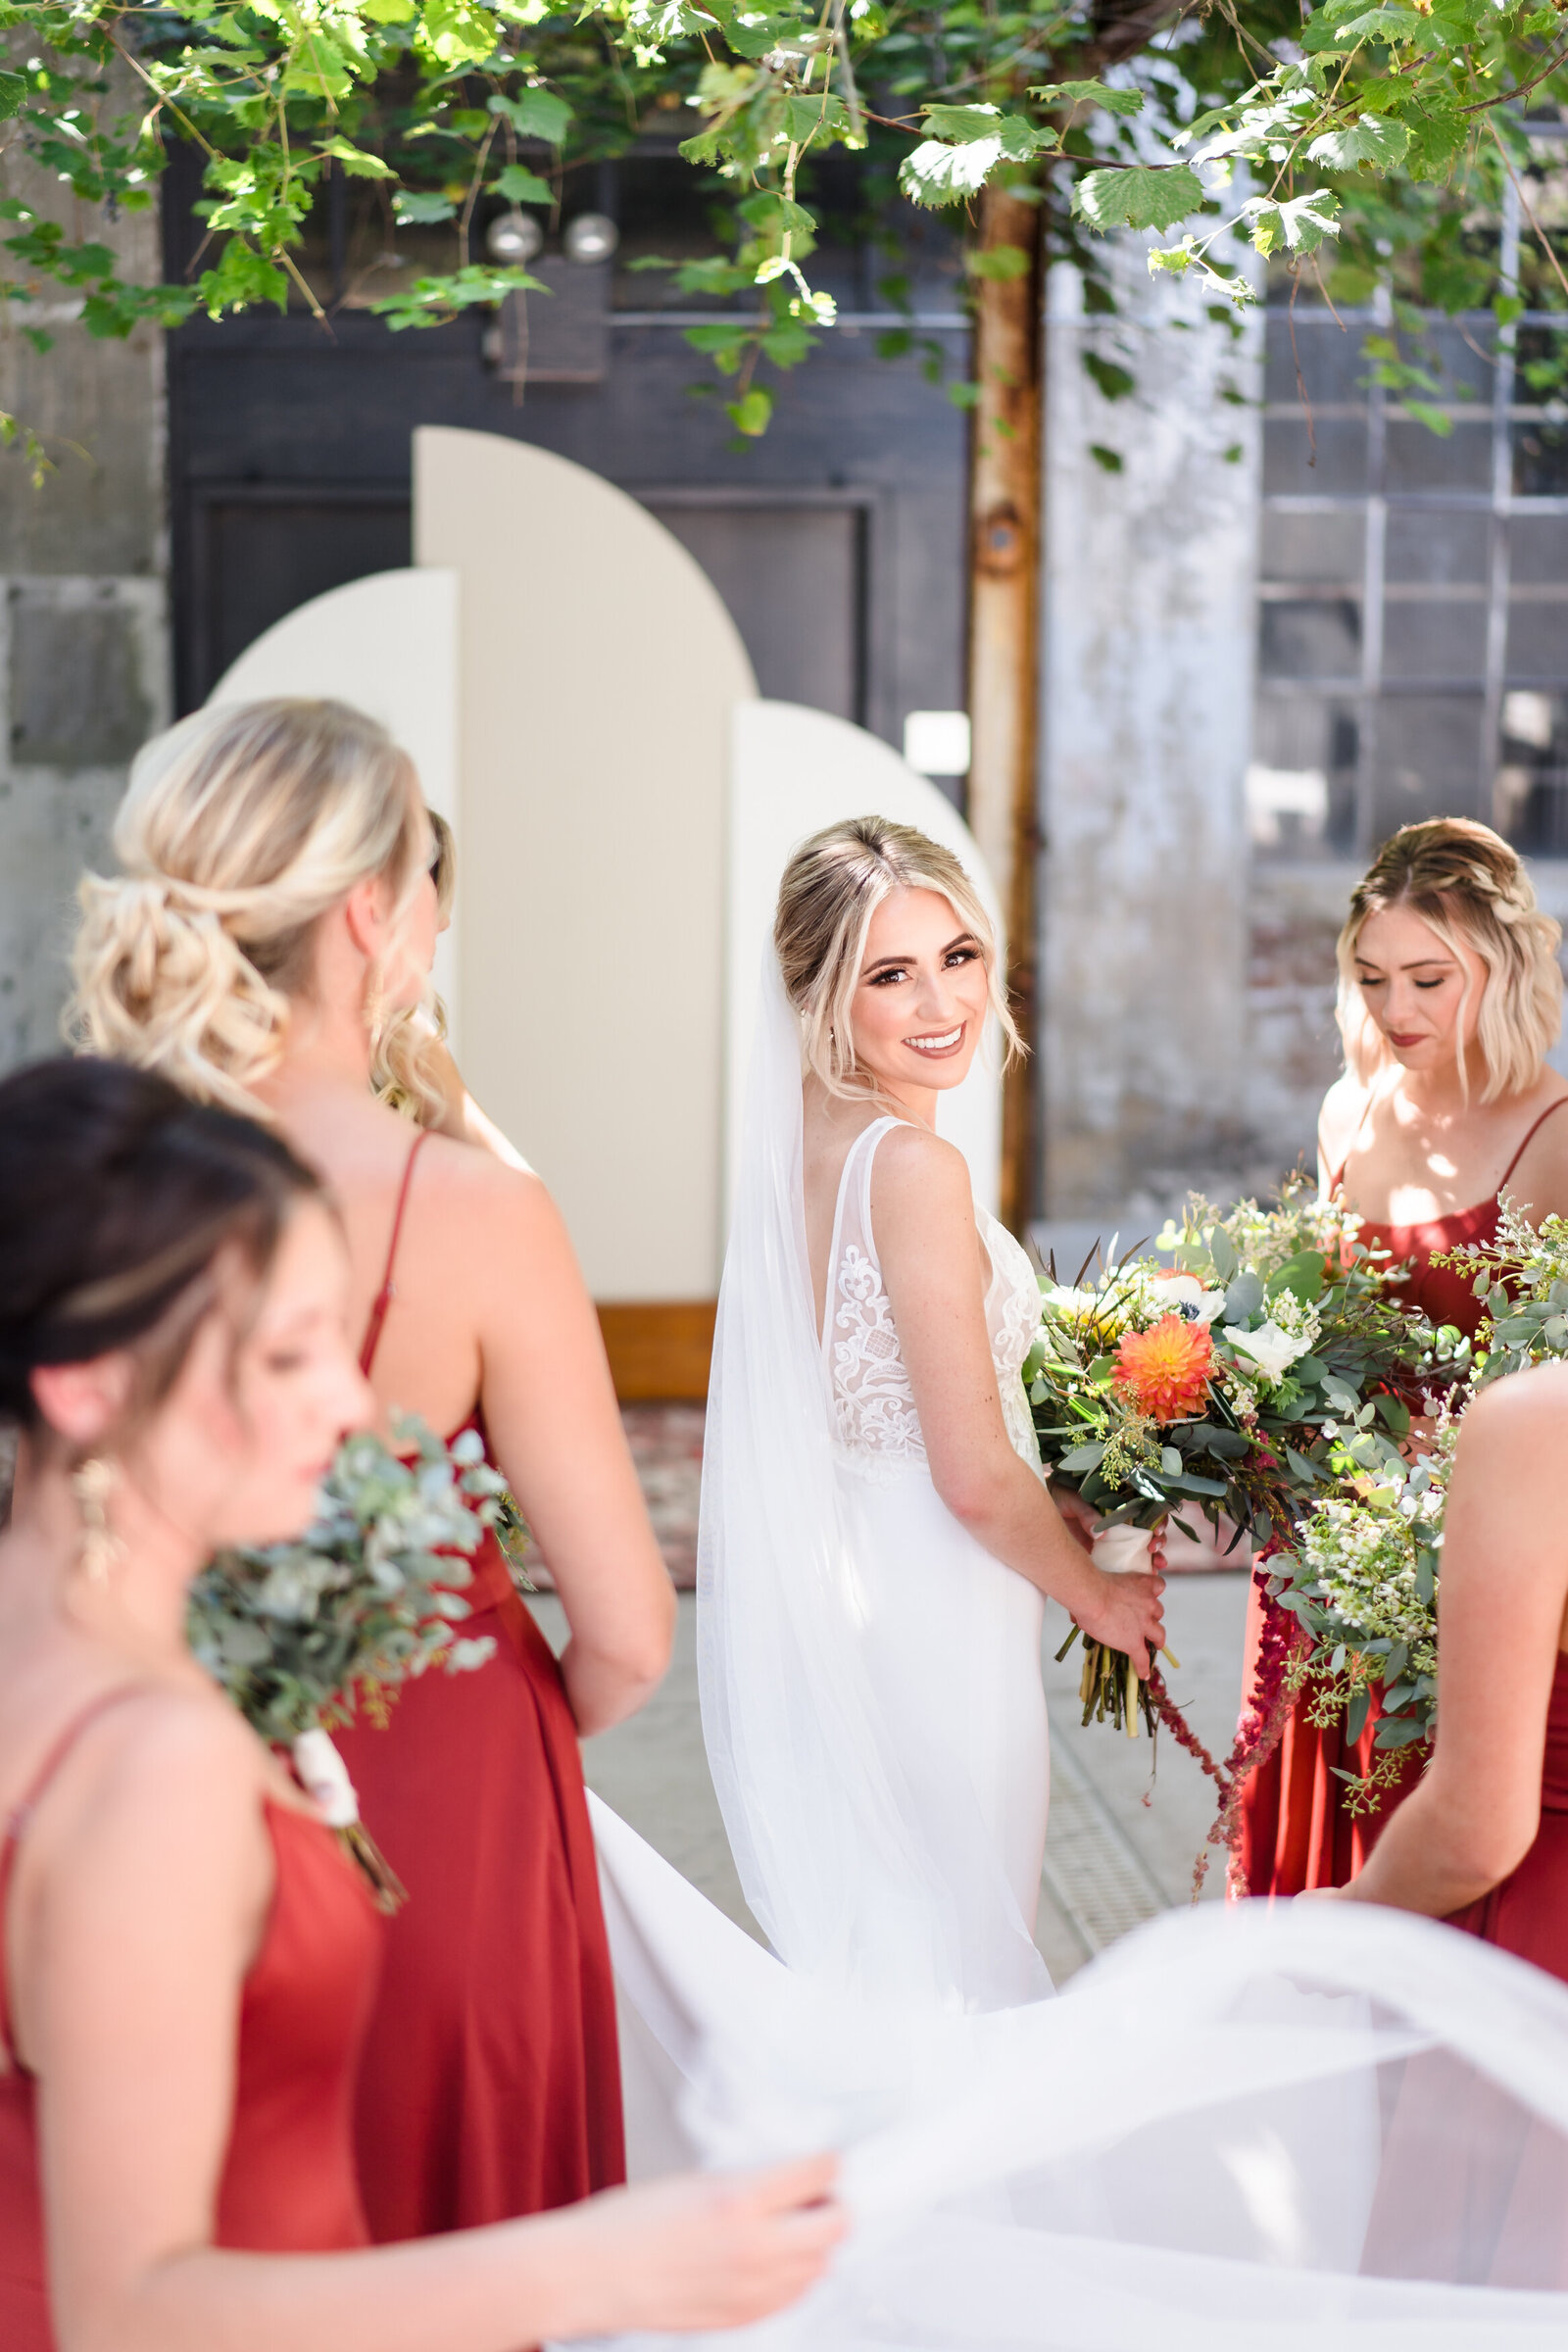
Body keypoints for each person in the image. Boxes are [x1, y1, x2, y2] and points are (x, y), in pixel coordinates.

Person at [0, 1055, 842, 2352]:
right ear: (85, 1386)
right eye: (287, 1356)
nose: (349, 1404)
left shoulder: (49, 1633)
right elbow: (134, 2308)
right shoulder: (155, 1760)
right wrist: (596, 2269)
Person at [70, 699, 676, 2239]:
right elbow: (625, 1631)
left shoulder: (75, 1178)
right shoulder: (471, 1213)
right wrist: (501, 1737)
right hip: (443, 1790)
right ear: (370, 920)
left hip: (138, 1767)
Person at [698, 817, 1165, 2012]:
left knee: (882, 1945)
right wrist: (1096, 1593)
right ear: (817, 994)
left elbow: (883, 1408)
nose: (940, 1001)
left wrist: (1051, 1487)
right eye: (887, 974)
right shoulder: (911, 1166)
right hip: (933, 1604)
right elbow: (964, 1473)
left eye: (956, 955)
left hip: (843, 1575)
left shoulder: (798, 1139)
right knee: (955, 1961)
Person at [1239, 818, 1568, 1898]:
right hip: (1319, 1546)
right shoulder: (1351, 1109)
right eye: (1372, 979)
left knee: (1431, 1832)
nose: (1395, 1011)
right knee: (1302, 1816)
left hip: (1451, 1558)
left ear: (1505, 968)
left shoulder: (1556, 1133)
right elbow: (1317, 1318)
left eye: (1428, 979)